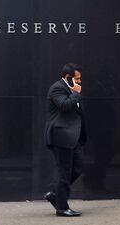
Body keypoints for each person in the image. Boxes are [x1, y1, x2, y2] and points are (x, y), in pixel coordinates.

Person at [43, 63, 87, 217]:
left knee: (77, 168)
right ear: (68, 78)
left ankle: (55, 194)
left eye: (80, 78)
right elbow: (64, 106)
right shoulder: (57, 88)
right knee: (64, 171)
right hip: (60, 135)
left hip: (72, 137)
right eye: (77, 78)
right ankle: (62, 207)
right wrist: (75, 94)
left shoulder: (72, 89)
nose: (80, 81)